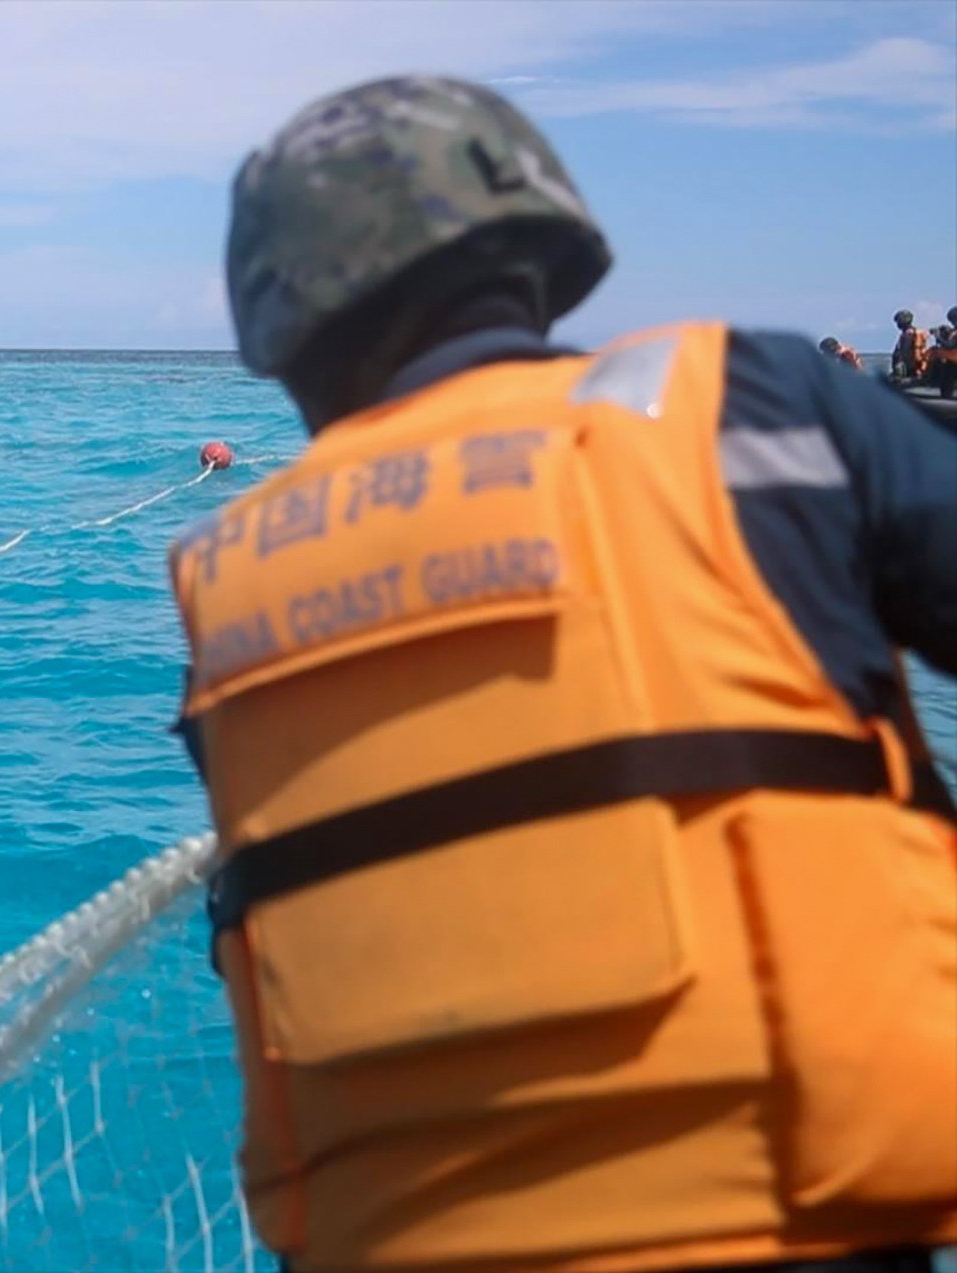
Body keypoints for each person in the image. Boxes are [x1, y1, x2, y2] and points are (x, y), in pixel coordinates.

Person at [169, 75, 957, 1273]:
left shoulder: (223, 573)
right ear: (537, 252)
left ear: (280, 330)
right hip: (804, 1219)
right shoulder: (752, 403)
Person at [891, 309, 931, 382]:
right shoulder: (917, 332)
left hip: (910, 366)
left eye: (898, 322)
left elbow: (902, 352)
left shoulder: (907, 335)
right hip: (918, 365)